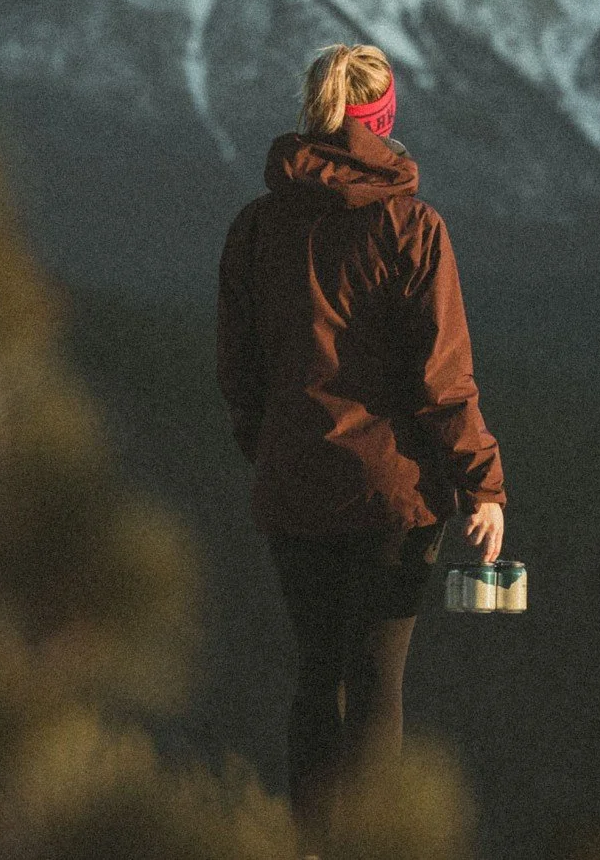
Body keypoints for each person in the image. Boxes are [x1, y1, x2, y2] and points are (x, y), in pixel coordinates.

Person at [216, 43, 506, 851]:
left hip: (293, 485)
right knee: (377, 679)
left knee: (317, 676)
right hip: (396, 493)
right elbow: (444, 380)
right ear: (383, 124)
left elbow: (236, 370)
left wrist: (273, 446)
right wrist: (483, 486)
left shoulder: (255, 228)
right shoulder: (413, 228)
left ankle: (308, 844)